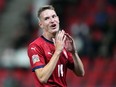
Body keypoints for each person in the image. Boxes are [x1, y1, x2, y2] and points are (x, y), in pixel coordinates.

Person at [27, 5, 85, 87]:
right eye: (47, 18)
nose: (52, 20)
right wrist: (57, 51)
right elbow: (42, 78)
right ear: (41, 24)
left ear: (58, 19)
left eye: (53, 16)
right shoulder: (35, 46)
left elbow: (81, 73)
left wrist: (74, 53)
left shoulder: (62, 43)